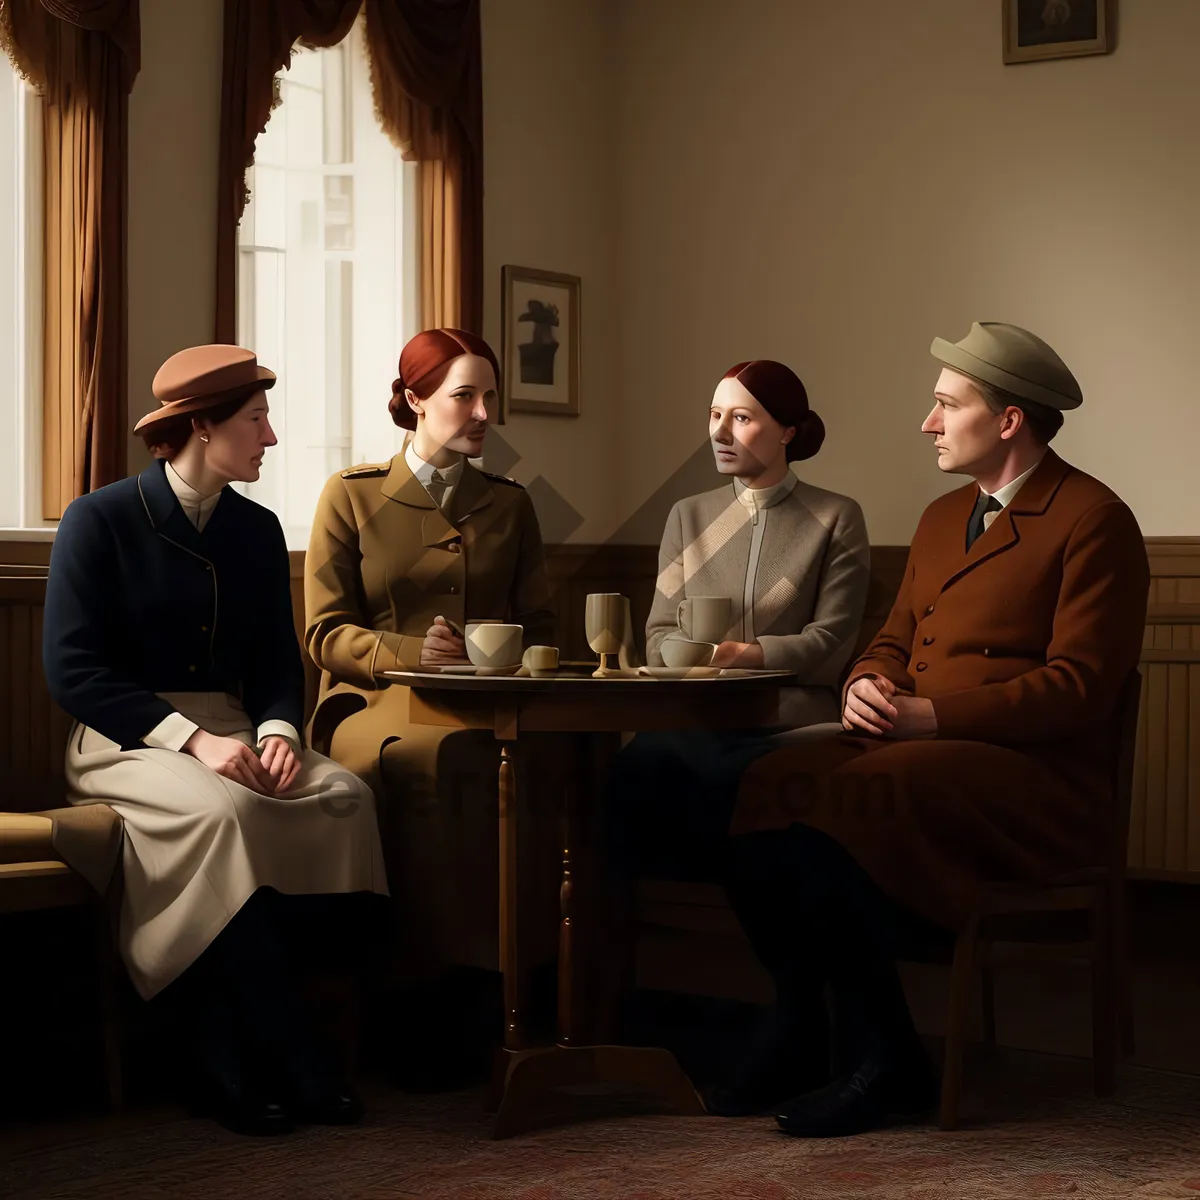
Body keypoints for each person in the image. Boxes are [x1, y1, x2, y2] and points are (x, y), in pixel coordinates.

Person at [720, 322, 1149, 1137]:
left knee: (861, 797)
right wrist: (868, 683)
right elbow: (891, 635)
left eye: (947, 405)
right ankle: (804, 1029)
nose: (929, 422)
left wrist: (933, 716)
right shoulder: (941, 515)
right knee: (766, 785)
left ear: (1010, 420)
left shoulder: (1095, 520)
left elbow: (1081, 687)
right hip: (924, 758)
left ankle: (887, 1061)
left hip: (1036, 783)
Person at [42, 345, 389, 1135]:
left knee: (343, 799)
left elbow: (274, 658)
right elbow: (72, 671)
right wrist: (193, 742)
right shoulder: (98, 520)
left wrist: (276, 733)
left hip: (234, 728)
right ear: (203, 427)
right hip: (124, 737)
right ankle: (254, 1055)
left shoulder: (258, 530)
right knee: (224, 815)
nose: (270, 437)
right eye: (256, 419)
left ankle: (265, 1040)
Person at [601, 359, 869, 1061]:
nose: (721, 431)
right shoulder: (688, 517)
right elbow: (659, 633)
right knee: (630, 770)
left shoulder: (835, 517)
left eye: (743, 417)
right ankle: (629, 1007)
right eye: (716, 415)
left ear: (788, 430)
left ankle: (784, 1010)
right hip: (696, 721)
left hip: (791, 720)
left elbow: (831, 642)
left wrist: (747, 656)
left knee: (738, 786)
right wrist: (690, 657)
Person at [304, 327, 556, 998]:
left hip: (492, 698)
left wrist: (511, 660)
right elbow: (324, 634)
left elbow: (544, 626)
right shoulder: (350, 494)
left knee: (557, 758)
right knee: (435, 760)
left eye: (489, 398)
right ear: (416, 400)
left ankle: (523, 980)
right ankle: (422, 989)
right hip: (372, 702)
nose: (483, 415)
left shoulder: (511, 502)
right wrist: (413, 654)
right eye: (464, 396)